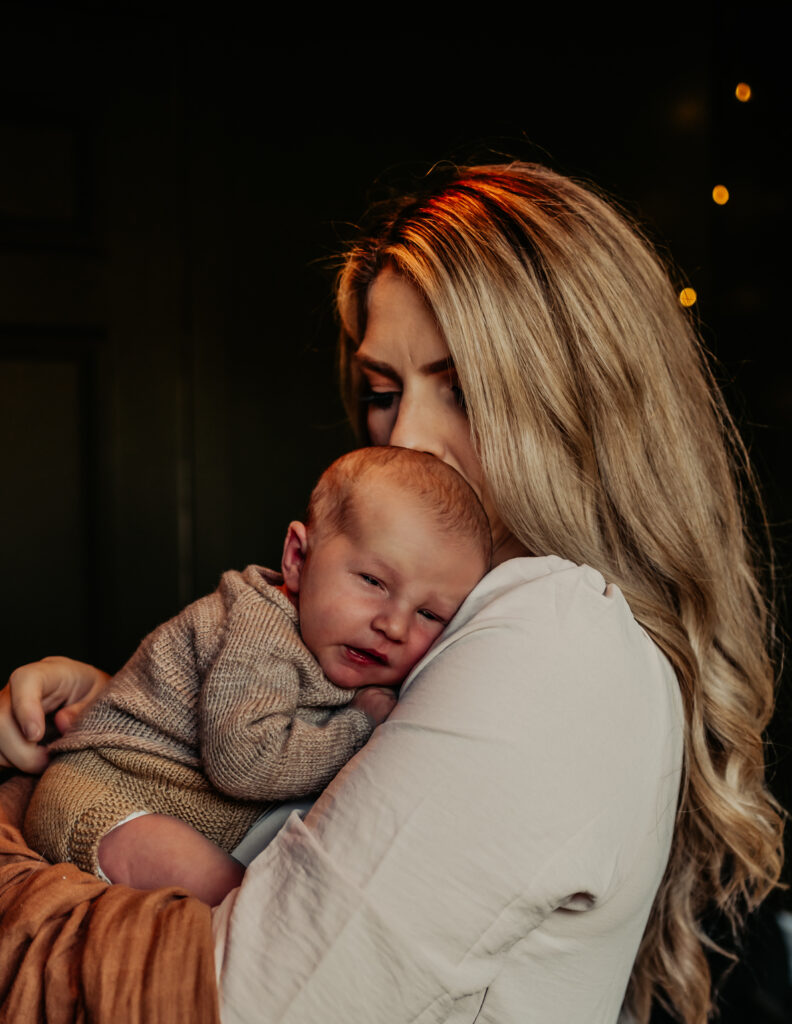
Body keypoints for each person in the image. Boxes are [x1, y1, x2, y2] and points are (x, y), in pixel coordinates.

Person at [0, 162, 784, 1024]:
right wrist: (131, 704)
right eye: (382, 391)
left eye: (463, 388)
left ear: (585, 400)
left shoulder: (557, 636)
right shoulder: (450, 630)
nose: (406, 436)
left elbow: (245, 1003)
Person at [21, 446, 491, 906]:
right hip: (103, 795)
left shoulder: (342, 643)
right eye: (372, 581)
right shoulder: (259, 630)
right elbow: (242, 763)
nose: (393, 625)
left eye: (429, 613)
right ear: (298, 559)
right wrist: (357, 726)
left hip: (185, 806)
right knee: (242, 897)